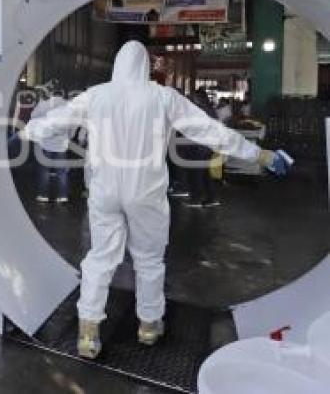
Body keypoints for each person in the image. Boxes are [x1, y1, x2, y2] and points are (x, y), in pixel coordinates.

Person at [22, 41, 289, 359]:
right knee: (148, 261)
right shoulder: (163, 97)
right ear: (145, 66)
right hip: (146, 193)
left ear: (117, 65)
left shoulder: (95, 95)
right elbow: (208, 130)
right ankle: (149, 325)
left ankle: (88, 331)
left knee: (99, 259)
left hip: (104, 190)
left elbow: (54, 122)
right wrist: (259, 155)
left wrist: (26, 132)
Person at [28, 87, 71, 204]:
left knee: (44, 171)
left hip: (46, 143)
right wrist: (69, 138)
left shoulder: (45, 104)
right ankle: (62, 196)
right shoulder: (69, 106)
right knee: (61, 172)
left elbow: (33, 116)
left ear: (51, 94)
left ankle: (43, 195)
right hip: (61, 145)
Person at [184, 88, 220, 208]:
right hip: (209, 146)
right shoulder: (211, 110)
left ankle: (196, 200)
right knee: (205, 174)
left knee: (197, 174)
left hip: (201, 146)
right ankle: (212, 198)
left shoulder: (201, 110)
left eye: (194, 97)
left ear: (199, 98)